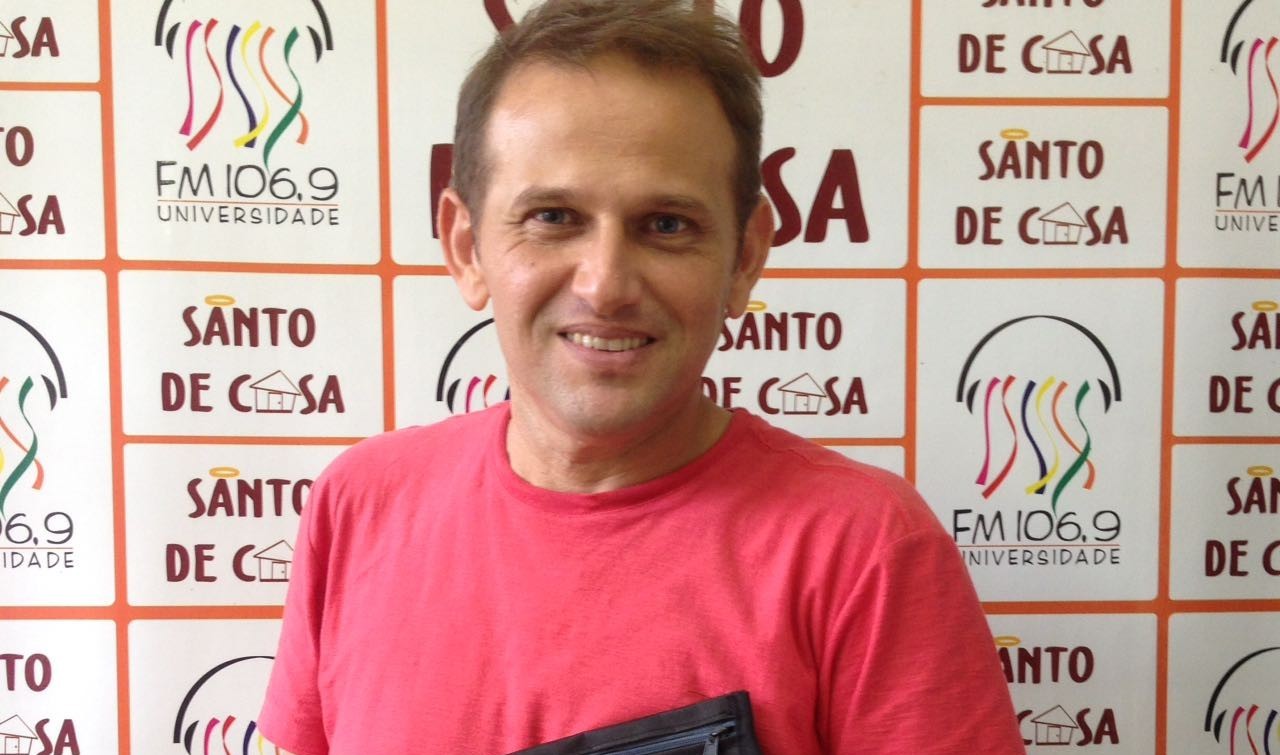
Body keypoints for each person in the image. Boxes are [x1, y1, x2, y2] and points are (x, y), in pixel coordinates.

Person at [258, 1, 1025, 753]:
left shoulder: (867, 551)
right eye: (553, 217)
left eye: (666, 225)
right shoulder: (358, 505)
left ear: (745, 256)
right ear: (466, 247)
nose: (605, 285)